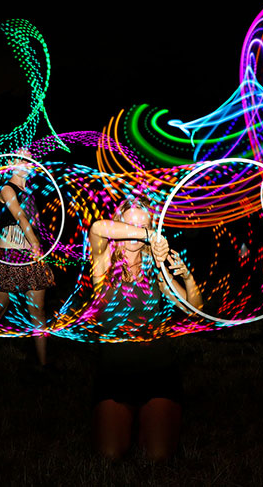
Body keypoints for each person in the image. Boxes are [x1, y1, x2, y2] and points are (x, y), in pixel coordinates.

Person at [88, 196, 202, 462]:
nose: (136, 233)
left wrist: (186, 276)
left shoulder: (156, 269)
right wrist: (149, 234)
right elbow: (96, 228)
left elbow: (194, 309)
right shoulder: (103, 260)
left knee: (158, 457)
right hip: (114, 372)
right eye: (130, 224)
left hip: (157, 370)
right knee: (110, 454)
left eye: (144, 225)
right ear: (120, 224)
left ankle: (148, 419)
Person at [0, 149, 55, 368]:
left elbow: (35, 222)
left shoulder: (29, 192)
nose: (28, 162)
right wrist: (36, 243)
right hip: (9, 256)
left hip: (31, 257)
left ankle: (43, 365)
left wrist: (39, 244)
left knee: (37, 311)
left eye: (31, 159)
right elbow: (20, 217)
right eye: (23, 158)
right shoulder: (6, 189)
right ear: (11, 163)